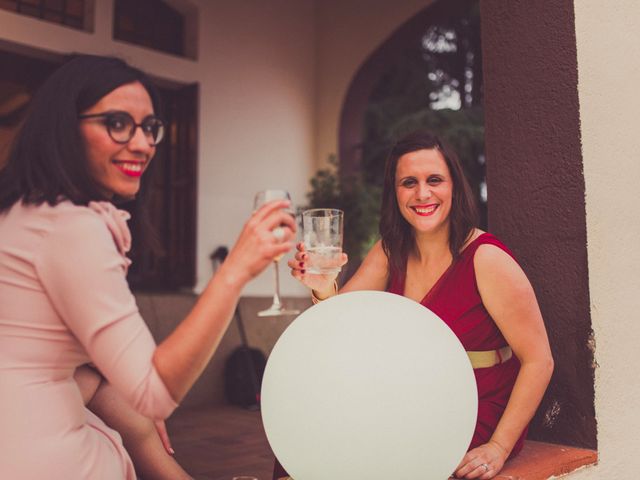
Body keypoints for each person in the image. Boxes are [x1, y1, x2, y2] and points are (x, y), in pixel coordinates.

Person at [0, 54, 296, 479]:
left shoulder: (24, 211)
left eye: (149, 127)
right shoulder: (72, 228)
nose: (141, 144)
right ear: (66, 127)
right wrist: (235, 270)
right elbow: (153, 394)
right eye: (117, 123)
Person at [284, 130, 554, 480]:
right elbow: (340, 324)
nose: (422, 193)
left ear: (454, 186)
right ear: (394, 192)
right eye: (408, 182)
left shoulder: (485, 258)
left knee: (371, 459)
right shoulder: (389, 251)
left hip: (472, 405)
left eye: (435, 180)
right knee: (308, 436)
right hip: (406, 395)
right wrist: (322, 287)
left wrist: (499, 447)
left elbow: (539, 360)